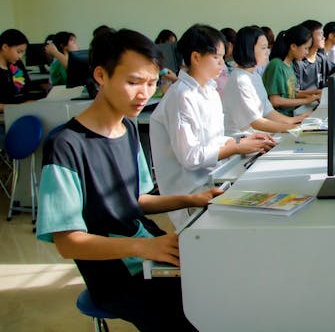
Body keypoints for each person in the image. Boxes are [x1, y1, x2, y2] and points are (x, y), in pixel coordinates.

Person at [36, 29, 220, 331]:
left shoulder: (128, 129)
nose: (144, 93)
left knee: (223, 285)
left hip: (146, 250)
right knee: (193, 312)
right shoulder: (66, 145)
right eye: (133, 82)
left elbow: (134, 200)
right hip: (113, 273)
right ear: (100, 75)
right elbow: (68, 242)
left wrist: (193, 199)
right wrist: (142, 248)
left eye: (151, 83)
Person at [150, 24, 275, 226]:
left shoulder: (209, 90)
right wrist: (236, 147)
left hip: (214, 179)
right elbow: (191, 157)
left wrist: (241, 140)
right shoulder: (181, 95)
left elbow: (215, 139)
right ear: (196, 57)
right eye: (216, 58)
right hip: (190, 194)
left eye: (223, 57)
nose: (222, 65)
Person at [223, 26, 311, 134]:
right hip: (242, 143)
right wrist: (295, 129)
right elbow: (256, 122)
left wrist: (295, 120)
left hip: (256, 138)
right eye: (263, 48)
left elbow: (267, 111)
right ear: (249, 49)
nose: (267, 52)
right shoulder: (240, 80)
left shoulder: (254, 75)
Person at [262, 24, 321, 116]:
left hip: (291, 114)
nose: (307, 52)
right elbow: (275, 100)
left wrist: (314, 95)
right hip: (280, 118)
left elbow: (291, 93)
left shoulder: (290, 64)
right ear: (293, 46)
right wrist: (306, 100)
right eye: (305, 48)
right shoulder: (276, 65)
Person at [0, 29, 39, 113]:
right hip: (6, 115)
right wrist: (18, 107)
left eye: (22, 53)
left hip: (22, 109)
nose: (20, 56)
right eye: (18, 52)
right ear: (5, 47)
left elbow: (26, 89)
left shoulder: (17, 64)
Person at [294, 20, 334, 92]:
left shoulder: (321, 58)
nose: (323, 38)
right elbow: (295, 92)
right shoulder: (298, 63)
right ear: (308, 37)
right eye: (320, 34)